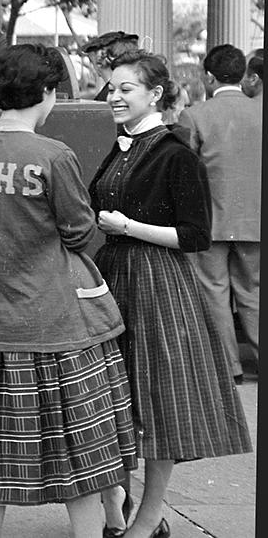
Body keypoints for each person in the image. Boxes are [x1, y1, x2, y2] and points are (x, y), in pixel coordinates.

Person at [0, 44, 137, 538]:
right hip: (56, 324)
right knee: (81, 454)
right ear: (47, 93)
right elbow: (78, 230)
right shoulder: (53, 155)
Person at [89, 51, 252, 538]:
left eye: (125, 89)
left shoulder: (177, 152)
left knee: (161, 403)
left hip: (160, 283)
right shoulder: (121, 146)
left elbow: (196, 235)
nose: (114, 97)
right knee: (107, 396)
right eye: (112, 88)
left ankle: (150, 516)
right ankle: (117, 501)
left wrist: (128, 226)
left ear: (155, 94)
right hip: (115, 275)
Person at [179, 45, 260, 383]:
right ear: (243, 75)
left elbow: (182, 171)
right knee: (255, 291)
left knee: (213, 291)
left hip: (210, 222)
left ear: (209, 77)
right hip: (255, 220)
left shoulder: (194, 116)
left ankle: (229, 368)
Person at [77, 31, 141, 102]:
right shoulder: (139, 89)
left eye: (91, 60)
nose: (93, 66)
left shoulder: (107, 97)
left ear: (100, 57)